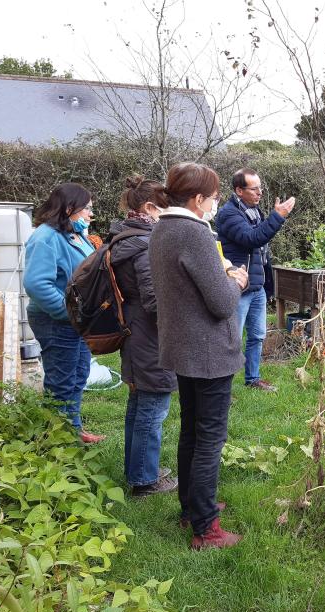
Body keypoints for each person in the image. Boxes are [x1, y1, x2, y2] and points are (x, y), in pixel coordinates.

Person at [148, 162, 249, 550]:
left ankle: (191, 507)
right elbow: (223, 303)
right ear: (197, 198)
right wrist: (235, 280)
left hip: (181, 346)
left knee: (191, 430)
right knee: (209, 438)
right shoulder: (195, 233)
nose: (214, 203)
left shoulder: (162, 228)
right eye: (213, 196)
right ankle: (206, 528)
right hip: (207, 351)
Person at [109, 176, 178, 497]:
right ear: (150, 208)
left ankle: (137, 468)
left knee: (139, 405)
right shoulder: (146, 244)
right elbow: (155, 301)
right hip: (150, 337)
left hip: (135, 333)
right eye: (166, 208)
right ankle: (144, 480)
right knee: (153, 407)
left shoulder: (127, 236)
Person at [24, 183, 105, 444]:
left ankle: (73, 431)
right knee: (61, 382)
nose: (91, 215)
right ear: (69, 208)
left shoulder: (72, 233)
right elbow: (37, 283)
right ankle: (55, 441)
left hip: (76, 321)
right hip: (55, 320)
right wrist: (67, 312)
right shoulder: (45, 237)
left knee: (78, 375)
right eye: (87, 209)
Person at [215, 167, 295, 392]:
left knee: (257, 336)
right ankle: (221, 388)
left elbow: (261, 249)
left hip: (256, 287)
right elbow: (252, 238)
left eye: (261, 187)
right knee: (232, 340)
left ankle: (253, 379)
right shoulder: (229, 214)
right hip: (238, 288)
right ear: (239, 190)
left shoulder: (254, 212)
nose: (260, 192)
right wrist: (277, 217)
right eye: (255, 188)